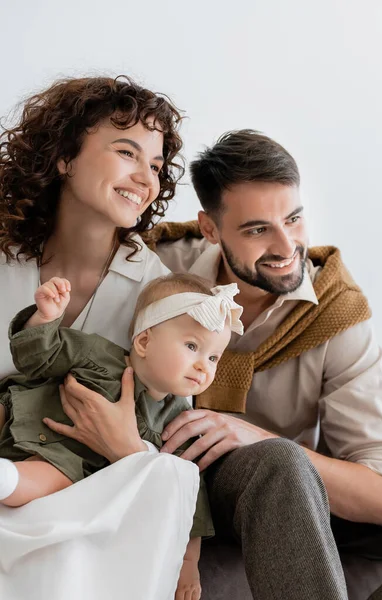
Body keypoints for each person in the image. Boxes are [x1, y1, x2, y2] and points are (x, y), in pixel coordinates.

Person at [57, 130, 382, 600]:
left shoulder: (335, 310)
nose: (286, 247)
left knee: (282, 460)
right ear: (211, 229)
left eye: (294, 219)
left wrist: (256, 435)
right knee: (280, 462)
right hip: (178, 472)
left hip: (290, 500)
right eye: (258, 229)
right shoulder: (154, 271)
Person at [0, 75, 201, 600]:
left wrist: (123, 446)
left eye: (155, 166)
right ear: (65, 156)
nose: (145, 177)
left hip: (91, 489)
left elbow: (173, 431)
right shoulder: (4, 259)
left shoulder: (158, 294)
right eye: (126, 152)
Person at [0, 271, 243, 599]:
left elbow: (187, 493)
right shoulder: (96, 353)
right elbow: (42, 356)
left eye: (213, 357)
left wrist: (188, 562)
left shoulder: (179, 422)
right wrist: (45, 319)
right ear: (144, 342)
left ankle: (6, 478)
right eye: (192, 346)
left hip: (65, 462)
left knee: (49, 478)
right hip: (25, 411)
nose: (205, 367)